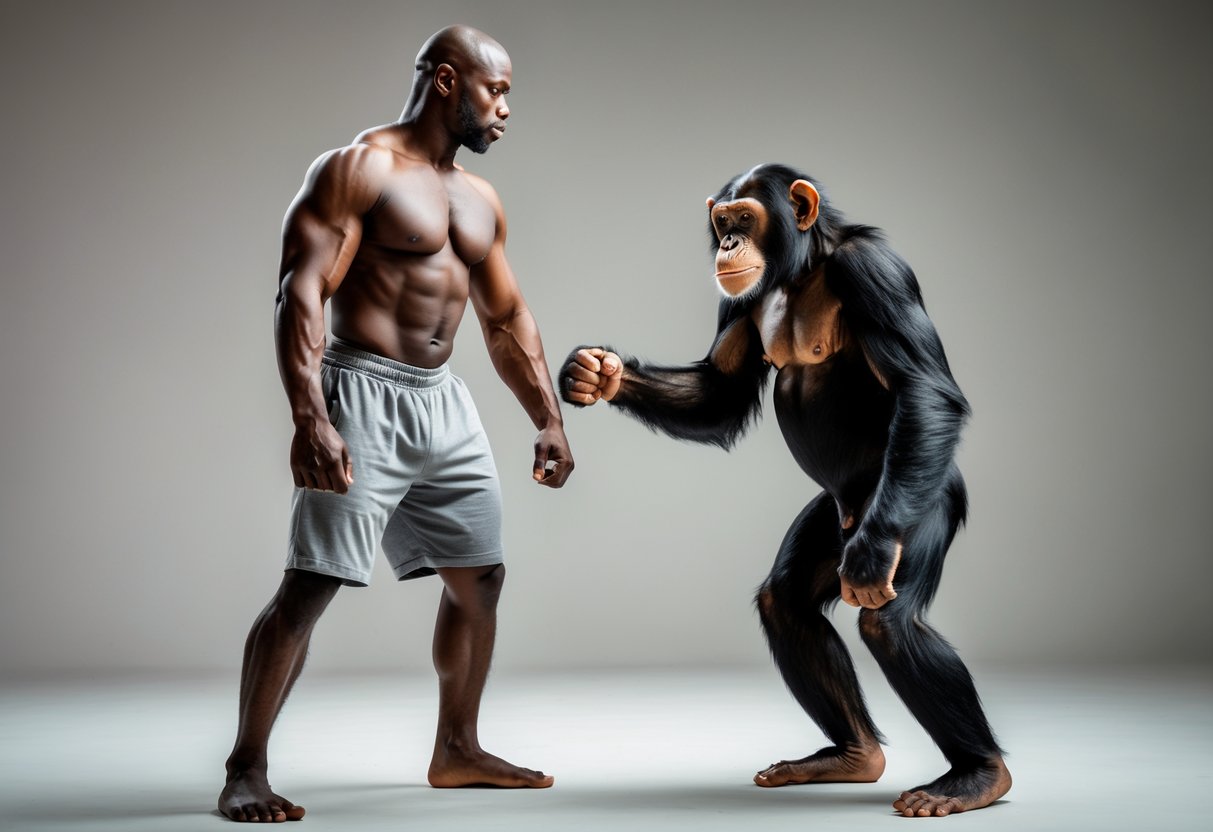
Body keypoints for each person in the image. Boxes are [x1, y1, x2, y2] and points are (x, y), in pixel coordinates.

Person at [218, 25, 573, 823]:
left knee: (480, 578)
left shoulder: (478, 198)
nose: (506, 107)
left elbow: (506, 315)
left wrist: (547, 418)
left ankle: (457, 747)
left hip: (441, 399)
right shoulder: (359, 169)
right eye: (496, 89)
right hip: (360, 393)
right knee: (310, 587)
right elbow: (299, 291)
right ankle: (245, 766)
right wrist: (310, 414)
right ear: (447, 81)